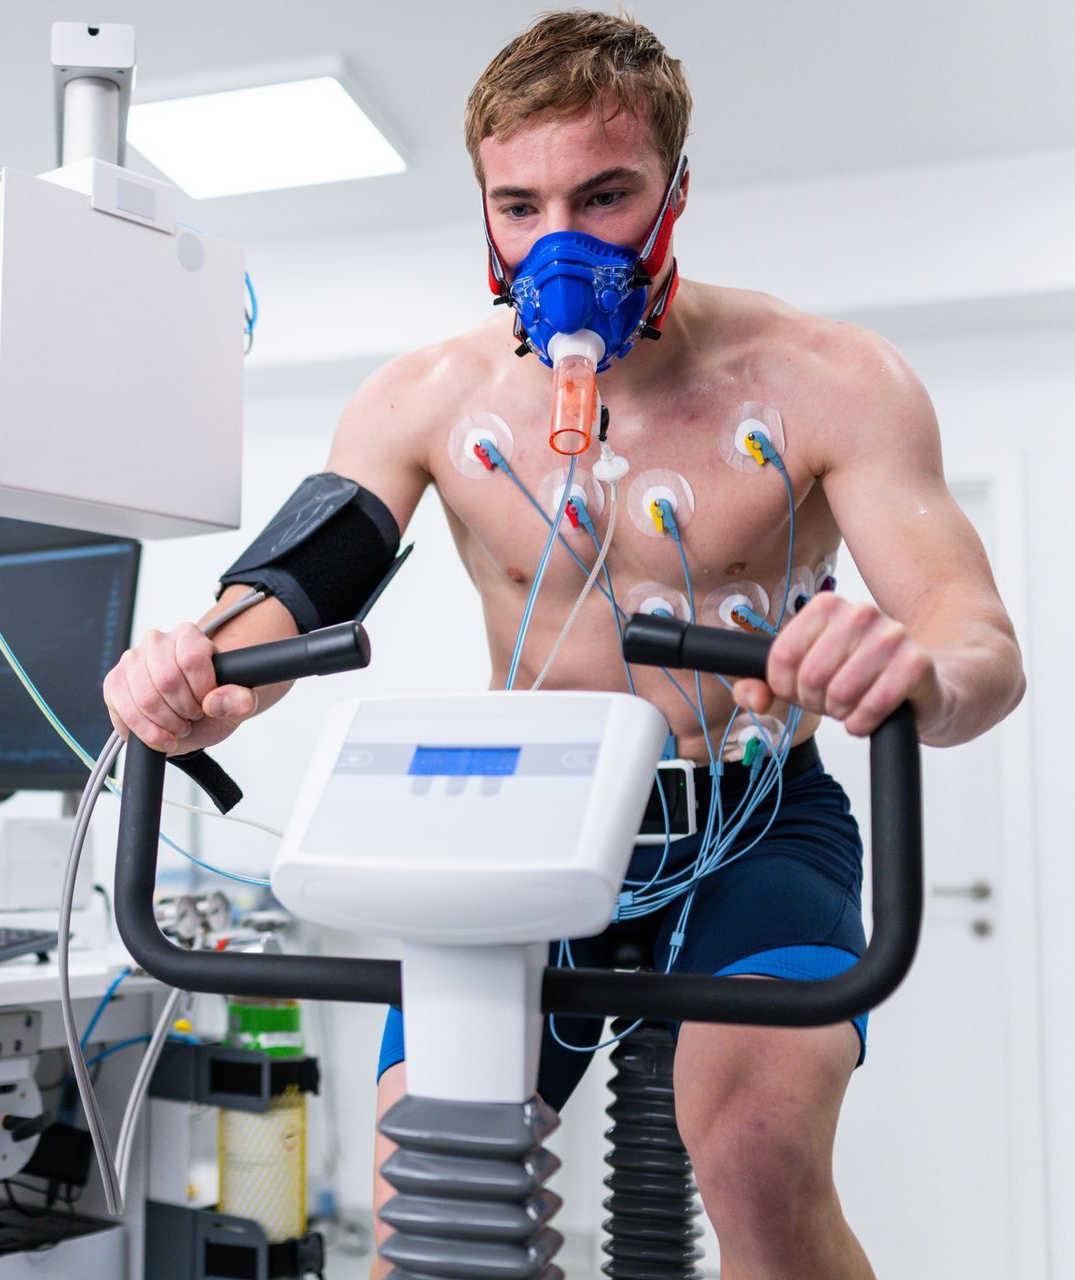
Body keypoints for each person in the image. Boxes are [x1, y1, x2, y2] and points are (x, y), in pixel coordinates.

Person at [102, 12, 1024, 1279]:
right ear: (482, 208)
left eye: (606, 195)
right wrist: (194, 673)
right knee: (431, 1187)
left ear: (676, 194)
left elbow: (978, 645)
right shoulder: (425, 395)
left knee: (758, 1158)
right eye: (520, 204)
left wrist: (913, 671)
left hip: (751, 812)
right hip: (519, 813)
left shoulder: (828, 379)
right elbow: (299, 582)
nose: (561, 241)